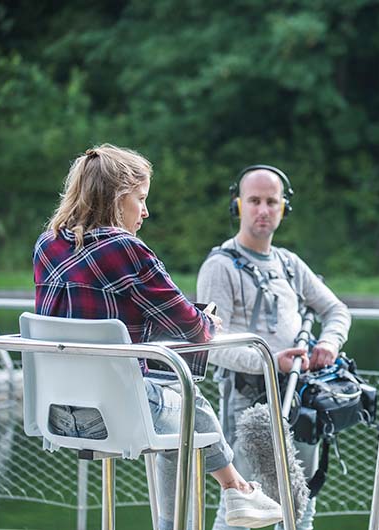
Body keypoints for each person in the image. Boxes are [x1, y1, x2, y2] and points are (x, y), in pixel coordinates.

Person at [33, 144, 283, 530]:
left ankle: (231, 494)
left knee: (172, 394)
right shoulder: (126, 249)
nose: (146, 211)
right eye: (141, 199)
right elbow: (195, 328)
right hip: (117, 415)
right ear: (118, 199)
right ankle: (235, 490)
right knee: (186, 400)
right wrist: (209, 321)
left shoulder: (46, 245)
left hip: (57, 415)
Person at [196, 165, 352, 530]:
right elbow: (211, 343)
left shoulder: (289, 264)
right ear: (238, 205)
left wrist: (329, 343)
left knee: (301, 505)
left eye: (271, 201)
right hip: (246, 404)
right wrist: (269, 363)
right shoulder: (220, 266)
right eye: (254, 201)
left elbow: (336, 310)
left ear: (284, 207)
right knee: (241, 507)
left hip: (301, 399)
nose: (263, 210)